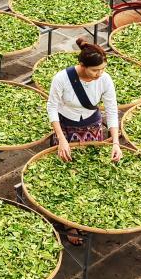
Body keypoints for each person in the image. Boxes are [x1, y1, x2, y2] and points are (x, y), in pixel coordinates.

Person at [47, 38, 124, 244]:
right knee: (66, 174)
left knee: (90, 172)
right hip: (66, 126)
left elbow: (112, 110)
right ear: (82, 66)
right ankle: (68, 224)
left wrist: (115, 142)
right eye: (95, 70)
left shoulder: (105, 80)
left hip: (92, 126)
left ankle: (86, 214)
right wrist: (61, 139)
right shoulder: (62, 78)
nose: (99, 74)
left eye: (102, 69)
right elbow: (52, 108)